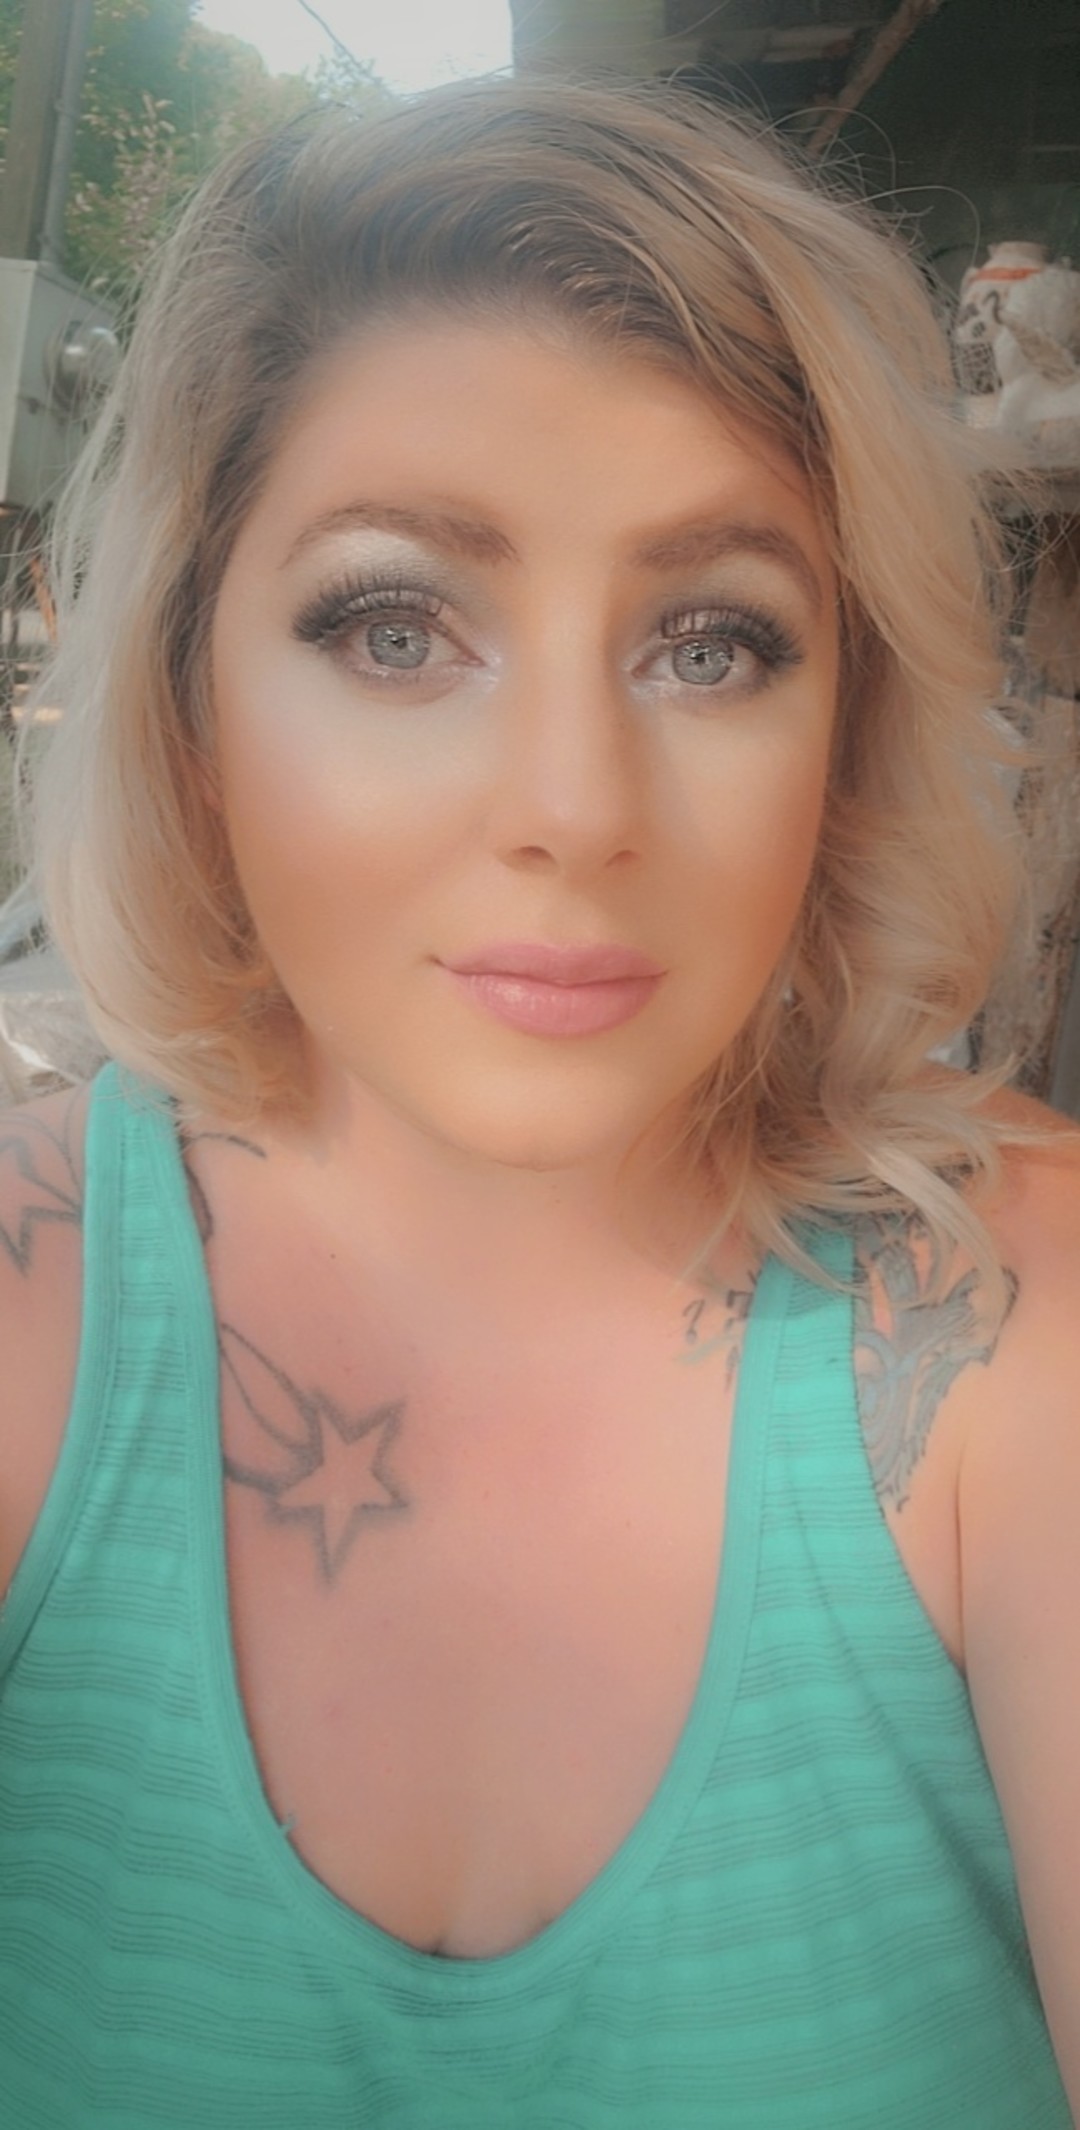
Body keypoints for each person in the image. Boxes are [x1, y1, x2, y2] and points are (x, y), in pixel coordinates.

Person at [0, 73, 1076, 2129]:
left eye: (711, 644)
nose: (576, 808)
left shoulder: (1017, 1309)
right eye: (398, 627)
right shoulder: (26, 1309)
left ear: (843, 727)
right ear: (193, 705)